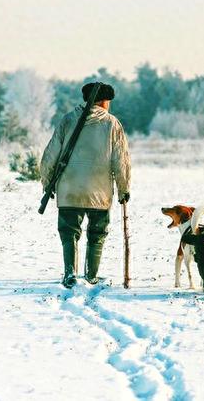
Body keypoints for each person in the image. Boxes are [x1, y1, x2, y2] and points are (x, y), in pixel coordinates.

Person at [40, 82, 131, 288]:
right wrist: (124, 189)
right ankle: (91, 275)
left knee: (69, 232)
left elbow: (50, 156)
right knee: (97, 234)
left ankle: (70, 274)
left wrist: (47, 183)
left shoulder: (68, 120)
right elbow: (121, 161)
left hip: (69, 190)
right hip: (100, 192)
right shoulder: (112, 124)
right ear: (104, 101)